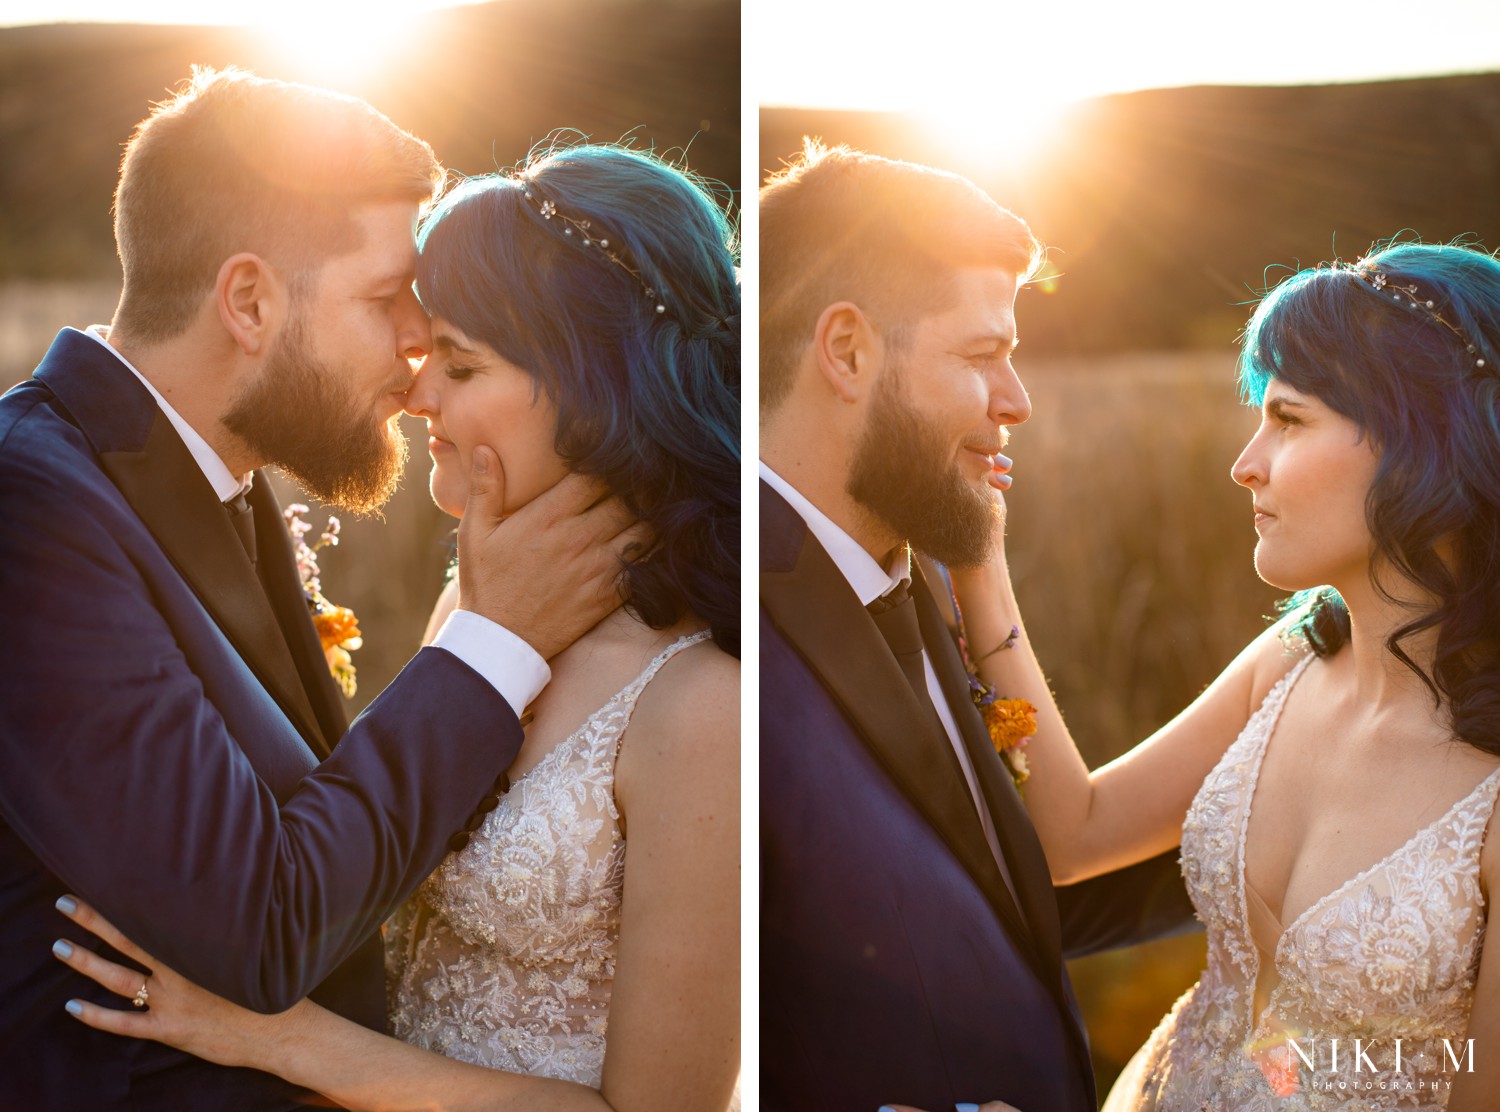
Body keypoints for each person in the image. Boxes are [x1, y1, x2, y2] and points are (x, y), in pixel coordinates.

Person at [52, 141, 742, 1111]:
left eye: (458, 362)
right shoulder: (478, 611)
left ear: (596, 387)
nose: (418, 391)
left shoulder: (704, 704)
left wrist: (291, 1039)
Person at [945, 239, 1500, 1110]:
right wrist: (980, 563)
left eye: (1289, 418)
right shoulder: (1294, 660)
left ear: (1422, 444)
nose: (1246, 463)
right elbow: (1073, 831)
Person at [757, 141, 1195, 1112]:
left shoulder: (924, 584)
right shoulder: (723, 621)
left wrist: (1288, 825)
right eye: (981, 354)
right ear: (848, 349)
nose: (1019, 401)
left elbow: (992, 882)